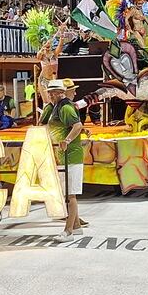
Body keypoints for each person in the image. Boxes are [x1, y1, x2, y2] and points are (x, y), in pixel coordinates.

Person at [40, 80, 85, 243]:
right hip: (63, 156)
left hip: (70, 156)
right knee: (68, 193)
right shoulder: (55, 107)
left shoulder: (65, 107)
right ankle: (77, 226)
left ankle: (68, 231)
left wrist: (66, 140)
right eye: (50, 92)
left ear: (61, 93)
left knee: (69, 196)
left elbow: (77, 126)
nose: (51, 94)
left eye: (54, 92)